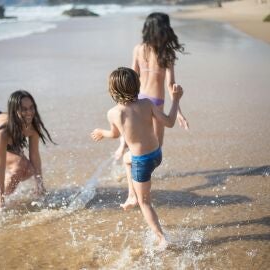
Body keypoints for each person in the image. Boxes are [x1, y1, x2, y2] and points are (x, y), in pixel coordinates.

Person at [91, 67, 183, 245]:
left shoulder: (114, 113)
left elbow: (115, 134)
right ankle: (131, 194)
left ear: (112, 91)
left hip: (142, 162)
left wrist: (101, 132)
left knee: (145, 203)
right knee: (126, 159)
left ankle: (162, 238)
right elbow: (170, 122)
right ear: (137, 85)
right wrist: (176, 100)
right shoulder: (147, 103)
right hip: (156, 154)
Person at [114, 12, 189, 209]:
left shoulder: (138, 49)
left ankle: (124, 148)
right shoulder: (167, 54)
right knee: (154, 149)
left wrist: (123, 102)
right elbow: (171, 85)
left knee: (136, 144)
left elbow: (132, 76)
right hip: (155, 102)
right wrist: (178, 110)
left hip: (137, 99)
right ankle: (138, 189)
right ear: (164, 29)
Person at [0, 90, 55, 209]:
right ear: (14, 111)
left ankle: (6, 186)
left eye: (31, 108)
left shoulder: (33, 126)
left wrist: (40, 186)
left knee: (30, 169)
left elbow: (34, 155)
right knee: (19, 165)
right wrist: (1, 201)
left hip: (10, 139)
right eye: (24, 109)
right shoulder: (3, 132)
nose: (29, 112)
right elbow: (0, 166)